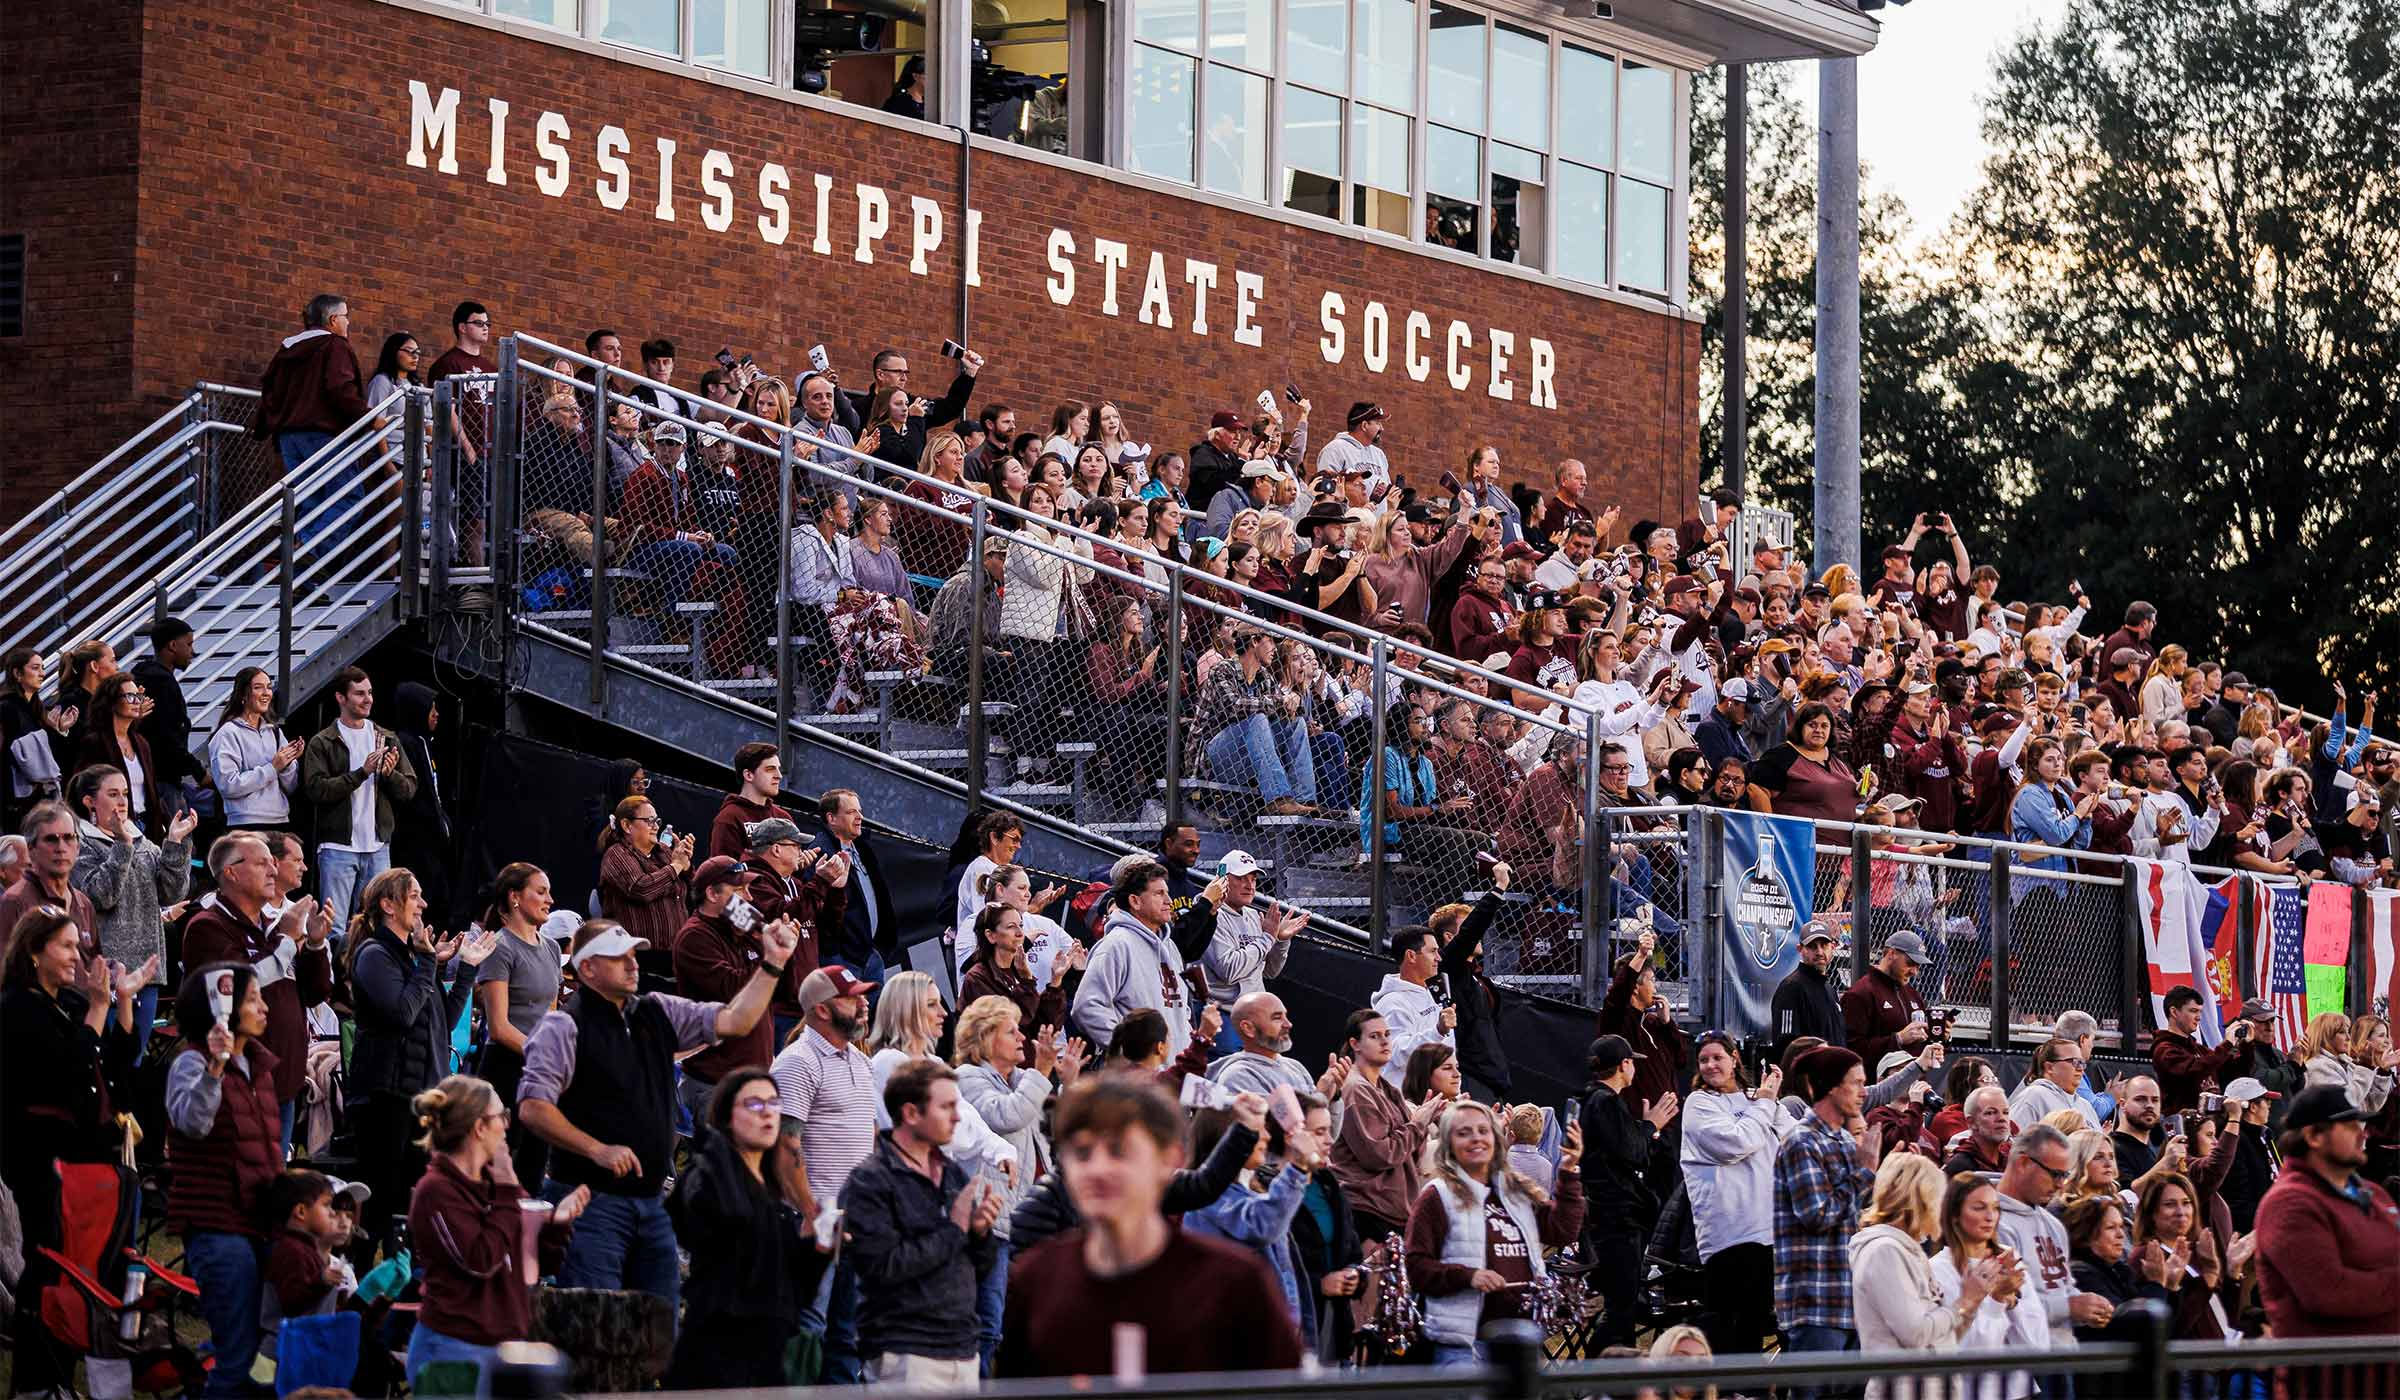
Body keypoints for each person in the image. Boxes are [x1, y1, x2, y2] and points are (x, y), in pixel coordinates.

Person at [517, 915, 796, 1307]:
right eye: (618, 957)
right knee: (593, 1322)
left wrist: (773, 964)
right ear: (587, 968)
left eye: (633, 954)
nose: (633, 963)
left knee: (659, 1323)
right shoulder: (562, 1027)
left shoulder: (656, 1009)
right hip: (588, 1200)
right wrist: (596, 1149)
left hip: (649, 1200)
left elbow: (737, 1019)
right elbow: (532, 1107)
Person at [1000, 1076, 1302, 1376]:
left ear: (1168, 1160)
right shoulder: (1037, 1280)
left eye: (1119, 1151)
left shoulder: (1235, 1284)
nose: (1098, 1168)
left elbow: (1204, 1185)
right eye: (1082, 1152)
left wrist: (1244, 1131)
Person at [1, 907, 147, 1393]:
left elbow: (112, 1075)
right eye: (66, 946)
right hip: (41, 1159)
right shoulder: (18, 1008)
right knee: (47, 1267)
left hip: (82, 1163)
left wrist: (122, 1004)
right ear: (34, 951)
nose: (77, 956)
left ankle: (59, 1375)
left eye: (78, 946)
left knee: (76, 1272)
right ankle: (35, 1383)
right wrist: (99, 1010)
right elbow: (67, 1073)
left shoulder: (65, 1001)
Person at [404, 1074, 589, 1392]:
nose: (507, 1125)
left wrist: (557, 1224)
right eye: (500, 1116)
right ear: (479, 1128)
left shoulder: (497, 1185)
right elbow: (479, 1260)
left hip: (503, 1346)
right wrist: (507, 1190)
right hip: (454, 1348)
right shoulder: (436, 1191)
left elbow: (535, 1267)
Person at [344, 868, 495, 1254]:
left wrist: (466, 969)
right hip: (385, 1096)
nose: (424, 904)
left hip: (418, 1094)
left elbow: (440, 1021)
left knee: (412, 1202)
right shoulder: (376, 955)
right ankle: (357, 1282)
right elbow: (401, 1015)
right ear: (388, 905)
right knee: (380, 1201)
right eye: (414, 896)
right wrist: (428, 962)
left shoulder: (410, 958)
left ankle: (403, 1286)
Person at [665, 1067, 833, 1388]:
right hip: (718, 1359)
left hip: (766, 1359)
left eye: (774, 1103)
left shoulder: (773, 1195)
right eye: (754, 1105)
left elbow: (793, 1293)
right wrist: (717, 1147)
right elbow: (708, 1226)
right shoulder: (708, 1173)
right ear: (728, 1116)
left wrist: (819, 1247)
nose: (768, 1112)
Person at [840, 1059, 1001, 1389]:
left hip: (962, 1349)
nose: (957, 1116)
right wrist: (954, 1229)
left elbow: (977, 1268)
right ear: (911, 1113)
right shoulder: (871, 1180)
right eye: (946, 1107)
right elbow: (882, 1267)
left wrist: (980, 1234)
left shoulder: (953, 1173)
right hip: (905, 1354)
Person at [165, 961, 284, 1398]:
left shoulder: (260, 1067)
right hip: (218, 1227)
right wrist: (215, 1069)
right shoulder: (190, 1065)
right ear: (223, 1010)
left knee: (264, 1356)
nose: (264, 1007)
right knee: (236, 1358)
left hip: (261, 1225)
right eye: (253, 998)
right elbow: (192, 1123)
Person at [1405, 1097, 1586, 1366]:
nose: (1476, 1138)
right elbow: (1416, 1267)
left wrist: (1569, 1170)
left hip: (1520, 1339)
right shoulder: (1436, 1196)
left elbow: (1562, 1231)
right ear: (1448, 1144)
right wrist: (1469, 1276)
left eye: (1483, 1130)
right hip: (1464, 1344)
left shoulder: (1515, 1192)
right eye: (1464, 1132)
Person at [183, 831, 333, 1151]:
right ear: (231, 872)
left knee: (273, 1181)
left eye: (273, 863)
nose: (273, 870)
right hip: (238, 1084)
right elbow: (235, 989)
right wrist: (288, 942)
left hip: (284, 1082)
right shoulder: (207, 926)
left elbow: (315, 993)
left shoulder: (275, 925)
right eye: (262, 863)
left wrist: (316, 943)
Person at [772, 963, 883, 1382]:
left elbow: (868, 1133)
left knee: (848, 1336)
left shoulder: (859, 1059)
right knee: (808, 1330)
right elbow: (786, 1146)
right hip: (813, 1225)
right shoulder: (797, 1063)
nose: (863, 1003)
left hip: (854, 1220)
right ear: (821, 1009)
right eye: (852, 997)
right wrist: (810, 1213)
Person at [954, 994, 1074, 1373]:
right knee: (990, 1324)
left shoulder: (1023, 1080)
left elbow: (1057, 1131)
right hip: (995, 1221)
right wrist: (1041, 1072)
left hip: (1034, 1216)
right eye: (1011, 1031)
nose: (1022, 1037)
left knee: (1031, 1321)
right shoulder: (966, 1080)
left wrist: (1067, 1083)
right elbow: (1006, 1117)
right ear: (986, 1038)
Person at [2252, 1083, 2400, 1341]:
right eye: (2349, 1125)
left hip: (2381, 1373)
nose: (2362, 1134)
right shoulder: (2289, 1204)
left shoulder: (2375, 1194)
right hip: (2330, 1375)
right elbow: (2330, 1293)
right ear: (2313, 1136)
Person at [1850, 1153, 2004, 1394]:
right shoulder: (1885, 1252)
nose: (1941, 1209)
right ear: (1920, 1200)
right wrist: (1965, 1300)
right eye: (1938, 1197)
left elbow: (1944, 1340)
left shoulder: (1909, 1250)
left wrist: (1975, 1300)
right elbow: (1916, 1334)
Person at [66, 763, 191, 1051]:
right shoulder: (79, 843)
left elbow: (170, 892)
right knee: (109, 1060)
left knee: (134, 1060)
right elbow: (100, 896)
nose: (122, 801)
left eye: (125, 793)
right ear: (89, 801)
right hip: (106, 972)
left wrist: (174, 843)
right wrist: (122, 846)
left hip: (147, 969)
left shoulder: (142, 840)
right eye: (113, 794)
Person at [1681, 1031, 1789, 1356]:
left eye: (1718, 1057)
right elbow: (1735, 1145)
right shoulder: (1698, 1104)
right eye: (1704, 1060)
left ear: (1734, 1059)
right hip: (1729, 1233)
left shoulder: (1759, 1098)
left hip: (1770, 1230)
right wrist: (1765, 1104)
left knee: (1760, 1323)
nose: (1711, 1065)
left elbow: (1795, 1137)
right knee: (1731, 1330)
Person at [1773, 1046, 1877, 1363]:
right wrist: (1864, 1173)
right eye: (1856, 1083)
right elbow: (1817, 1215)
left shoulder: (1844, 1140)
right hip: (1815, 1303)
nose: (1864, 1092)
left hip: (1850, 1302)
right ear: (1832, 1087)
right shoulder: (1802, 1141)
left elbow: (1858, 1216)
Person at [299, 667, 418, 935]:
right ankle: (336, 976)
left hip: (377, 847)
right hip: (338, 847)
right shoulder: (323, 741)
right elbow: (316, 790)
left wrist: (388, 775)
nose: (368, 699)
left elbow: (409, 788)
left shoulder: (385, 738)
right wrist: (360, 773)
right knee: (336, 926)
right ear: (341, 698)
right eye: (359, 694)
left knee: (377, 924)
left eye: (370, 693)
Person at [1582, 1033, 1677, 1347]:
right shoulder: (1604, 1101)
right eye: (1632, 1063)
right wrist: (1651, 1126)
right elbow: (1631, 1152)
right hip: (1615, 1220)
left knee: (1622, 1311)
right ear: (1624, 1065)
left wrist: (1645, 1128)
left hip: (1613, 1218)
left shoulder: (1597, 1100)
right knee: (1620, 1312)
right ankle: (1589, 1383)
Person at [473, 862, 562, 1185]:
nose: (549, 899)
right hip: (506, 1069)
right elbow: (499, 1027)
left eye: (549, 892)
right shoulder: (500, 947)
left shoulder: (551, 947)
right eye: (541, 892)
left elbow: (550, 1016)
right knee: (502, 1172)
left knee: (535, 1169)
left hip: (539, 1070)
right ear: (514, 898)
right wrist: (543, 1054)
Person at [1331, 1008, 1438, 1243]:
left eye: (1387, 1034)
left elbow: (1411, 1154)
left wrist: (1422, 1121)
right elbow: (1379, 1155)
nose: (1385, 1041)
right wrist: (1419, 1124)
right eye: (1374, 1036)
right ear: (1355, 1044)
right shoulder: (1355, 1089)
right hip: (1366, 1210)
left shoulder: (1388, 1088)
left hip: (1392, 1211)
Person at [1930, 1173, 2041, 1400]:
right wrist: (1997, 1301)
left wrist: (2013, 1302)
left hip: (2019, 1390)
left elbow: (2035, 1344)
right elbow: (1967, 1351)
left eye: (1995, 1208)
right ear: (1954, 1215)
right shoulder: (1936, 1270)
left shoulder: (2010, 1258)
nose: (1990, 1217)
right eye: (1979, 1208)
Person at [597, 794, 693, 989]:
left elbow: (693, 891)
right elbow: (641, 888)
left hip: (675, 958)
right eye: (649, 820)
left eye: (656, 820)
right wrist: (675, 867)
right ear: (626, 826)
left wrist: (687, 865)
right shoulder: (616, 854)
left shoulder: (665, 852)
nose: (656, 825)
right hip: (640, 962)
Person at [2061, 1196, 2173, 1344]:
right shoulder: (2081, 1275)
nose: (2121, 1235)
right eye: (2111, 1228)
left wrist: (2170, 1285)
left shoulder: (2120, 1271)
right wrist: (2156, 1283)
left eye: (2121, 1227)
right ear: (2086, 1234)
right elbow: (2136, 1328)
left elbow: (2166, 1327)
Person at [207, 667, 304, 835]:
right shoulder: (227, 733)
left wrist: (287, 764)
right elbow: (228, 785)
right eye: (258, 687)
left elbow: (291, 786)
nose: (266, 692)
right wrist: (272, 768)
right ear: (243, 694)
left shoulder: (274, 731)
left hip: (280, 822)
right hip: (246, 826)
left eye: (268, 686)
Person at [814, 787, 895, 983]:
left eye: (859, 811)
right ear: (831, 818)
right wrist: (836, 953)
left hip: (871, 954)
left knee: (875, 1013)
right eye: (851, 812)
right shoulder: (822, 853)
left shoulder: (864, 849)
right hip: (843, 959)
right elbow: (819, 911)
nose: (859, 817)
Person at [72, 673, 165, 838]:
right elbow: (84, 787)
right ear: (112, 701)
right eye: (130, 696)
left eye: (138, 696)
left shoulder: (141, 742)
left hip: (145, 825)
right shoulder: (95, 742)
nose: (137, 701)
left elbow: (151, 792)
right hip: (113, 826)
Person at [131, 617, 206, 808]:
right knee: (177, 837)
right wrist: (199, 772)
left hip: (149, 777)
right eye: (188, 644)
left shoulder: (144, 677)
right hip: (163, 782)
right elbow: (167, 738)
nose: (192, 652)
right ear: (173, 645)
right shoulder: (162, 684)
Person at [1374, 925, 1457, 1091]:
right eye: (1432, 951)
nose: (1438, 958)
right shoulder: (1392, 1003)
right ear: (1411, 956)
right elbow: (1395, 1053)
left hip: (1438, 1099)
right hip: (1408, 1105)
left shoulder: (1433, 992)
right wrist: (1437, 1031)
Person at [1841, 929, 1932, 1074]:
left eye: (1918, 966)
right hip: (1876, 1089)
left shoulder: (1913, 994)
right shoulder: (1861, 993)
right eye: (1910, 963)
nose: (1914, 972)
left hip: (1913, 1088)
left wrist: (1942, 1037)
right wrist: (1897, 1039)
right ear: (1891, 954)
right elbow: (1851, 1051)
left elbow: (1923, 1048)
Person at [2151, 985, 2249, 1117]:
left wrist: (2247, 1045)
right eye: (2193, 1011)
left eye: (2200, 1012)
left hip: (2211, 1124)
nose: (2198, 1017)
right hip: (2183, 1127)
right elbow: (2193, 1070)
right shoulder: (2164, 1050)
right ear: (2174, 1012)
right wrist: (2226, 1045)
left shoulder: (2199, 1049)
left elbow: (2232, 1072)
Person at [709, 741, 792, 861]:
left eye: (778, 769)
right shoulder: (729, 818)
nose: (779, 775)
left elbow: (791, 875)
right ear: (748, 775)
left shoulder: (783, 817)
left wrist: (798, 866)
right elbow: (721, 872)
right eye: (770, 769)